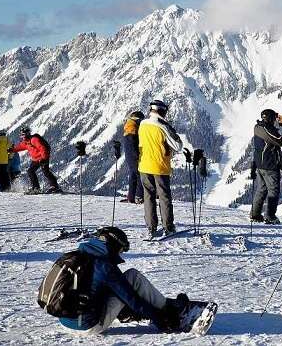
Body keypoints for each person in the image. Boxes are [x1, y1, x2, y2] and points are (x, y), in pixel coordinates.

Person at [58, 226, 190, 334]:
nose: (120, 254)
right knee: (132, 276)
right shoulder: (105, 267)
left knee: (105, 287)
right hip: (88, 325)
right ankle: (167, 308)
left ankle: (126, 312)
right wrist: (160, 319)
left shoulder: (76, 256)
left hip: (65, 321)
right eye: (121, 250)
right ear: (114, 246)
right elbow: (132, 299)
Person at [138, 100, 183, 238]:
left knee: (148, 197)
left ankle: (151, 227)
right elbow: (178, 146)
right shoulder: (163, 126)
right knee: (164, 197)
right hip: (159, 166)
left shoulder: (142, 124)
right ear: (162, 111)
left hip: (144, 165)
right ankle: (168, 227)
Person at [250, 109, 282, 224]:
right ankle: (270, 216)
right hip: (269, 165)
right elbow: (281, 141)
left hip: (260, 165)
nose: (276, 120)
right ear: (270, 118)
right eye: (274, 118)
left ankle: (255, 214)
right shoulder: (268, 129)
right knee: (273, 191)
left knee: (261, 190)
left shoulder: (258, 127)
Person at [11, 127, 60, 194]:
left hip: (43, 158)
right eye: (22, 134)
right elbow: (20, 146)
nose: (23, 136)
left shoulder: (34, 140)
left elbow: (43, 148)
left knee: (46, 171)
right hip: (36, 159)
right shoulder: (26, 142)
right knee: (30, 171)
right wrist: (12, 150)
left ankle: (55, 187)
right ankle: (36, 188)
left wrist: (44, 158)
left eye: (24, 134)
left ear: (28, 134)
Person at [122, 111, 144, 204]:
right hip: (134, 155)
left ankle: (131, 197)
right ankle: (138, 196)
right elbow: (133, 144)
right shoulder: (133, 128)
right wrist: (138, 155)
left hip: (129, 156)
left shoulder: (129, 126)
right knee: (140, 174)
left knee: (133, 175)